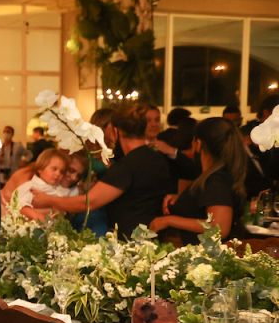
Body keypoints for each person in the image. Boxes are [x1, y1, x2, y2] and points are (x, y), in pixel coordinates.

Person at [33, 101, 173, 238]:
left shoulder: (127, 166)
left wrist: (48, 199)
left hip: (132, 240)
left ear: (115, 131)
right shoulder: (159, 159)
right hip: (155, 237)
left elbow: (88, 203)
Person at [150, 117, 247, 245]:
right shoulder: (216, 175)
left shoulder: (216, 179)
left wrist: (168, 220)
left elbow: (220, 228)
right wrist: (183, 199)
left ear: (198, 143)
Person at [11, 148, 76, 220]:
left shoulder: (60, 190)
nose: (58, 174)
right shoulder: (31, 187)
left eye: (61, 172)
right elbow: (22, 207)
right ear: (40, 169)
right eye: (54, 169)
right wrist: (42, 219)